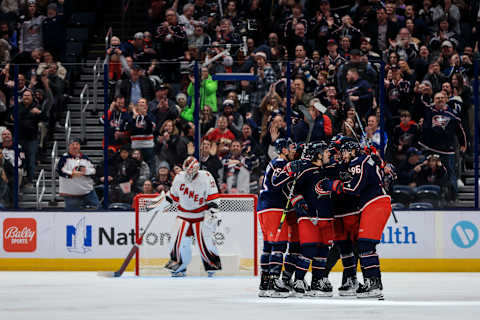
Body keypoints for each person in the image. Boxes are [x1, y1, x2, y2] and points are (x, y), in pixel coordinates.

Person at [322, 141, 392, 299]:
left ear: (352, 151)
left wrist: (335, 185)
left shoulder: (358, 161)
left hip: (374, 203)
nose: (343, 155)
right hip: (375, 203)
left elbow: (354, 188)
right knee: (365, 245)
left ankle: (373, 283)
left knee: (365, 244)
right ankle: (374, 282)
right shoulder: (368, 159)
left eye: (345, 152)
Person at [275, 141, 335, 297]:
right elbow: (289, 186)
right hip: (309, 216)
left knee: (323, 250)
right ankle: (299, 280)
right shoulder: (306, 170)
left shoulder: (326, 170)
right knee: (308, 248)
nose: (329, 154)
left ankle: (317, 281)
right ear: (318, 154)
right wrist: (298, 200)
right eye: (326, 151)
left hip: (325, 216)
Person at [164, 156, 221, 277]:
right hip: (183, 215)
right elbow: (172, 197)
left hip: (201, 215)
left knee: (206, 241)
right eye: (187, 171)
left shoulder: (206, 176)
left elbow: (213, 198)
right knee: (177, 241)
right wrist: (162, 203)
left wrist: (214, 213)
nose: (189, 174)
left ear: (197, 169)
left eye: (192, 172)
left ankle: (212, 266)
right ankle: (179, 267)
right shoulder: (179, 177)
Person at [256, 138, 298, 298]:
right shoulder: (280, 163)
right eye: (291, 147)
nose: (293, 150)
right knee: (279, 245)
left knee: (268, 245)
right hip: (273, 207)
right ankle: (274, 282)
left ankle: (265, 282)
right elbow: (276, 183)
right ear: (284, 150)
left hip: (265, 208)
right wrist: (291, 171)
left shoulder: (277, 162)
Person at [57, 138, 99, 211]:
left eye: (77, 144)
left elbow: (94, 170)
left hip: (88, 193)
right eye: (73, 144)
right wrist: (72, 174)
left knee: (97, 213)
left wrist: (85, 171)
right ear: (69, 146)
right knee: (72, 217)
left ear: (80, 146)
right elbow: (60, 170)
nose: (75, 146)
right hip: (71, 195)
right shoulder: (64, 158)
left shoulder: (85, 158)